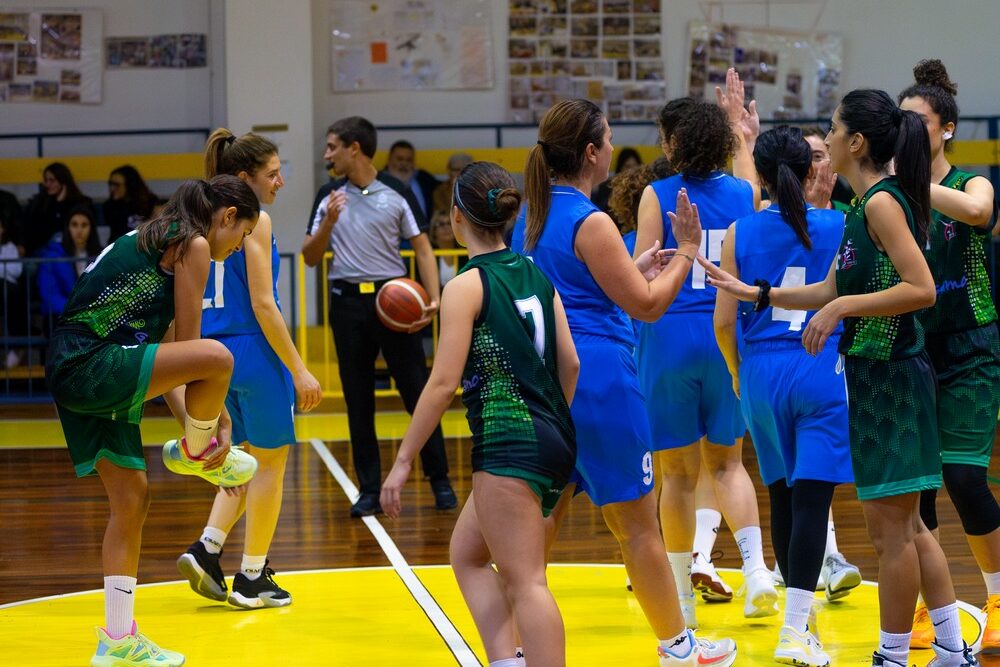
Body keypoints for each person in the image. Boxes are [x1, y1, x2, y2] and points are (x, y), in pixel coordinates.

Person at [700, 89, 977, 667]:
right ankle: (951, 648)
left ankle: (894, 654)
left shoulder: (880, 204)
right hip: (880, 378)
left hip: (892, 377)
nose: (822, 140)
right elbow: (830, 288)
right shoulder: (863, 205)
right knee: (910, 529)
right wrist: (760, 292)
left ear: (856, 143)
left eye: (830, 129)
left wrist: (841, 311)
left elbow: (919, 288)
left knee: (892, 536)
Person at [512, 98, 737, 667]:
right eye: (608, 138)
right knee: (636, 526)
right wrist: (686, 253)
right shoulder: (592, 220)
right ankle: (678, 647)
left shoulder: (530, 217)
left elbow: (574, 292)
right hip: (600, 380)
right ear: (590, 152)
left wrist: (634, 268)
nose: (614, 146)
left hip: (544, 377)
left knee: (544, 519)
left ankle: (516, 643)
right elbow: (647, 307)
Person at [46, 175, 261, 667]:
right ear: (227, 217)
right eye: (243, 234)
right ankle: (196, 454)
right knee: (218, 356)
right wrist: (202, 442)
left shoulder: (162, 236)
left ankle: (117, 641)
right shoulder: (195, 242)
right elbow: (193, 349)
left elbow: (171, 363)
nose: (240, 245)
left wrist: (214, 419)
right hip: (92, 360)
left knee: (132, 499)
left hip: (78, 363)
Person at [381, 161, 578, 667]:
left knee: (527, 580)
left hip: (509, 441)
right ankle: (506, 659)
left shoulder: (466, 286)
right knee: (466, 554)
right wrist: (552, 423)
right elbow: (570, 362)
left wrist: (404, 460)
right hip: (554, 438)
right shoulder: (535, 272)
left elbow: (443, 382)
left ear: (456, 216)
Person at [713, 125, 854, 666]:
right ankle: (796, 628)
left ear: (765, 177)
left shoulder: (738, 232)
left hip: (761, 373)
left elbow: (725, 322)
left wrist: (735, 373)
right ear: (812, 169)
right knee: (815, 501)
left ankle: (801, 620)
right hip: (819, 363)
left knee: (783, 496)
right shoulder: (840, 225)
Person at [634, 96, 773, 627]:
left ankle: (682, 601)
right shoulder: (742, 192)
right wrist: (743, 132)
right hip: (725, 333)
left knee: (677, 477)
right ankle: (758, 570)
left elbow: (642, 273)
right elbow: (749, 179)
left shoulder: (657, 193)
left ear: (671, 142)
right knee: (729, 463)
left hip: (669, 336)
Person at [174, 128, 323, 610]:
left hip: (208, 354)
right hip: (253, 350)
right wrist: (299, 368)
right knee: (270, 465)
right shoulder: (257, 221)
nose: (280, 183)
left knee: (239, 457)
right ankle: (253, 575)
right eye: (273, 175)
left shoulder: (195, 217)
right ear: (244, 178)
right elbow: (263, 302)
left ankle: (208, 547)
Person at [302, 117, 456, 517]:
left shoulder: (398, 191)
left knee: (417, 394)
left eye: (333, 146)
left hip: (393, 301)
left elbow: (422, 247)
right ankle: (368, 489)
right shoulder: (328, 195)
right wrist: (329, 223)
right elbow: (309, 256)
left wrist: (433, 299)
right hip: (347, 303)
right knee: (358, 399)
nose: (327, 155)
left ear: (355, 148)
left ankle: (439, 480)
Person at [897, 60, 1000, 652]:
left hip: (970, 349)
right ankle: (926, 611)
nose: (910, 130)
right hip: (913, 349)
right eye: (902, 121)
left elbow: (980, 214)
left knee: (963, 477)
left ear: (948, 128)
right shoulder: (890, 194)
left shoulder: (969, 185)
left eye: (921, 122)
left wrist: (907, 184)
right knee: (917, 489)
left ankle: (996, 592)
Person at [36, 205, 103, 327]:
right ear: (67, 228)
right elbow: (50, 295)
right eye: (74, 225)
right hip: (60, 316)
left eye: (84, 225)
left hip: (92, 317)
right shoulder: (52, 256)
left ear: (91, 228)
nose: (79, 230)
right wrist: (76, 312)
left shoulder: (102, 256)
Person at [24, 162, 92, 256]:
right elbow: (40, 231)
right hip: (44, 249)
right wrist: (57, 204)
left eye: (52, 180)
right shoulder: (38, 203)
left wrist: (61, 204)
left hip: (74, 249)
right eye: (46, 180)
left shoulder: (82, 203)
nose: (47, 184)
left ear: (63, 181)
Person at [383, 139, 441, 221]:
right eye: (400, 159)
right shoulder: (378, 181)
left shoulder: (424, 179)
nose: (404, 164)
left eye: (408, 160)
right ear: (389, 160)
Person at [103, 165, 158, 243]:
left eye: (117, 185)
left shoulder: (149, 203)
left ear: (130, 185)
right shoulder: (110, 206)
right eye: (111, 184)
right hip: (118, 248)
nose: (112, 188)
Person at [592, 147, 643, 219]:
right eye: (628, 166)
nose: (632, 171)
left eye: (635, 166)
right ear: (620, 168)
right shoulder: (607, 187)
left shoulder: (644, 189)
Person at [431, 152, 474, 220]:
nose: (460, 173)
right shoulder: (440, 192)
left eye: (465, 169)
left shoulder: (478, 190)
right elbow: (441, 216)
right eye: (456, 170)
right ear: (449, 171)